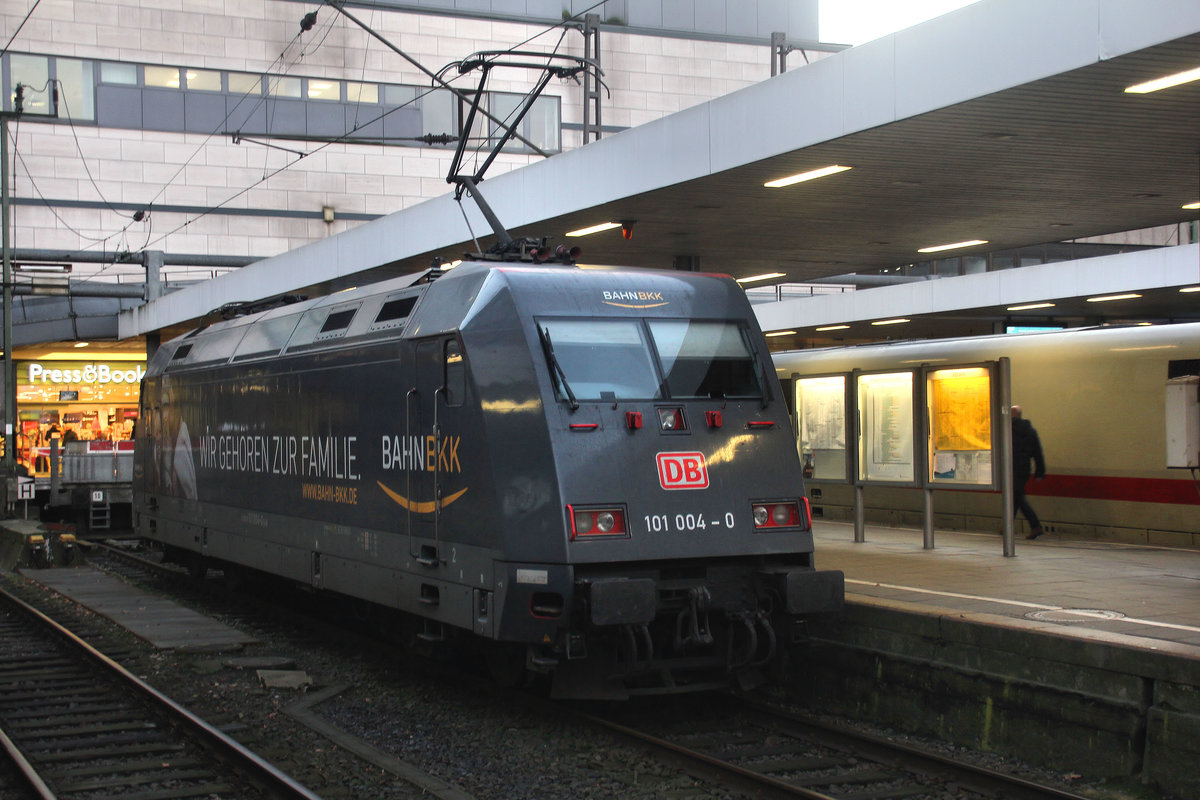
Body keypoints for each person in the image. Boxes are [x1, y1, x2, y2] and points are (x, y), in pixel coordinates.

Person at [1011, 405, 1046, 539]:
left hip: (1011, 468)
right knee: (1015, 496)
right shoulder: (1030, 431)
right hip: (1024, 469)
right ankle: (1009, 525)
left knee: (1017, 497)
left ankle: (1035, 526)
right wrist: (1040, 471)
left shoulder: (1008, 430)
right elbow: (1038, 452)